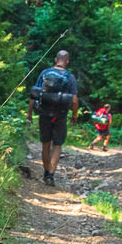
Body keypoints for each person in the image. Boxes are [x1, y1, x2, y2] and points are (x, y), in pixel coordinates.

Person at [26, 50, 80, 185]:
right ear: (67, 61)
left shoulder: (45, 73)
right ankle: (51, 174)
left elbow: (34, 94)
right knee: (57, 145)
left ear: (56, 59)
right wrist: (74, 115)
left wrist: (29, 114)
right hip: (60, 116)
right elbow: (74, 100)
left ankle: (45, 172)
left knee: (45, 144)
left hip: (44, 113)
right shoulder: (70, 77)